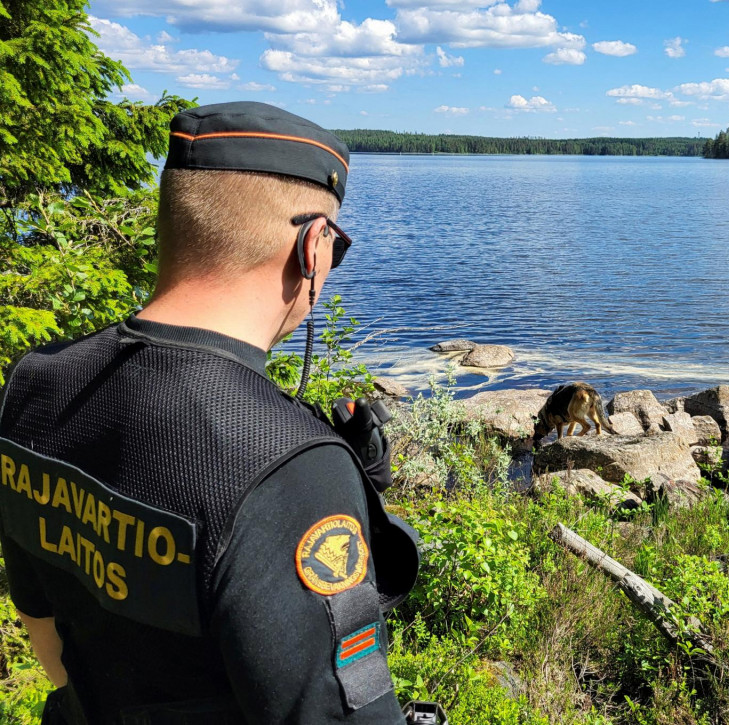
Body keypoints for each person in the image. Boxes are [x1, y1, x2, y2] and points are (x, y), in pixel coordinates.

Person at [0, 102, 419, 724]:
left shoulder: (36, 383)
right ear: (313, 246)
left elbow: (43, 627)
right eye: (339, 246)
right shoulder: (286, 468)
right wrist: (314, 482)